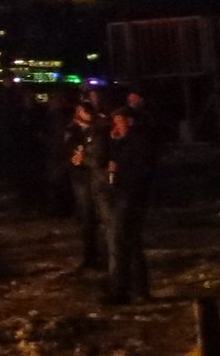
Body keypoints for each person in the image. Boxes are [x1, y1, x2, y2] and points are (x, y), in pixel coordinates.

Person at [98, 104, 154, 301]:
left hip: (130, 196)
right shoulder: (125, 141)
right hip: (124, 195)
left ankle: (119, 291)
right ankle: (140, 290)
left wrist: (118, 170)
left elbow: (138, 170)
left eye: (119, 122)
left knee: (120, 243)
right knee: (131, 243)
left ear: (129, 121)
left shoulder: (139, 142)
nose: (116, 126)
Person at [65, 102, 105, 270]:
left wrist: (84, 157)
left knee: (101, 219)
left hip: (97, 178)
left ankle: (102, 256)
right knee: (87, 218)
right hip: (81, 178)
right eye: (83, 111)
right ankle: (91, 256)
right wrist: (74, 159)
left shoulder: (99, 128)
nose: (86, 114)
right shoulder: (72, 129)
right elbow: (68, 151)